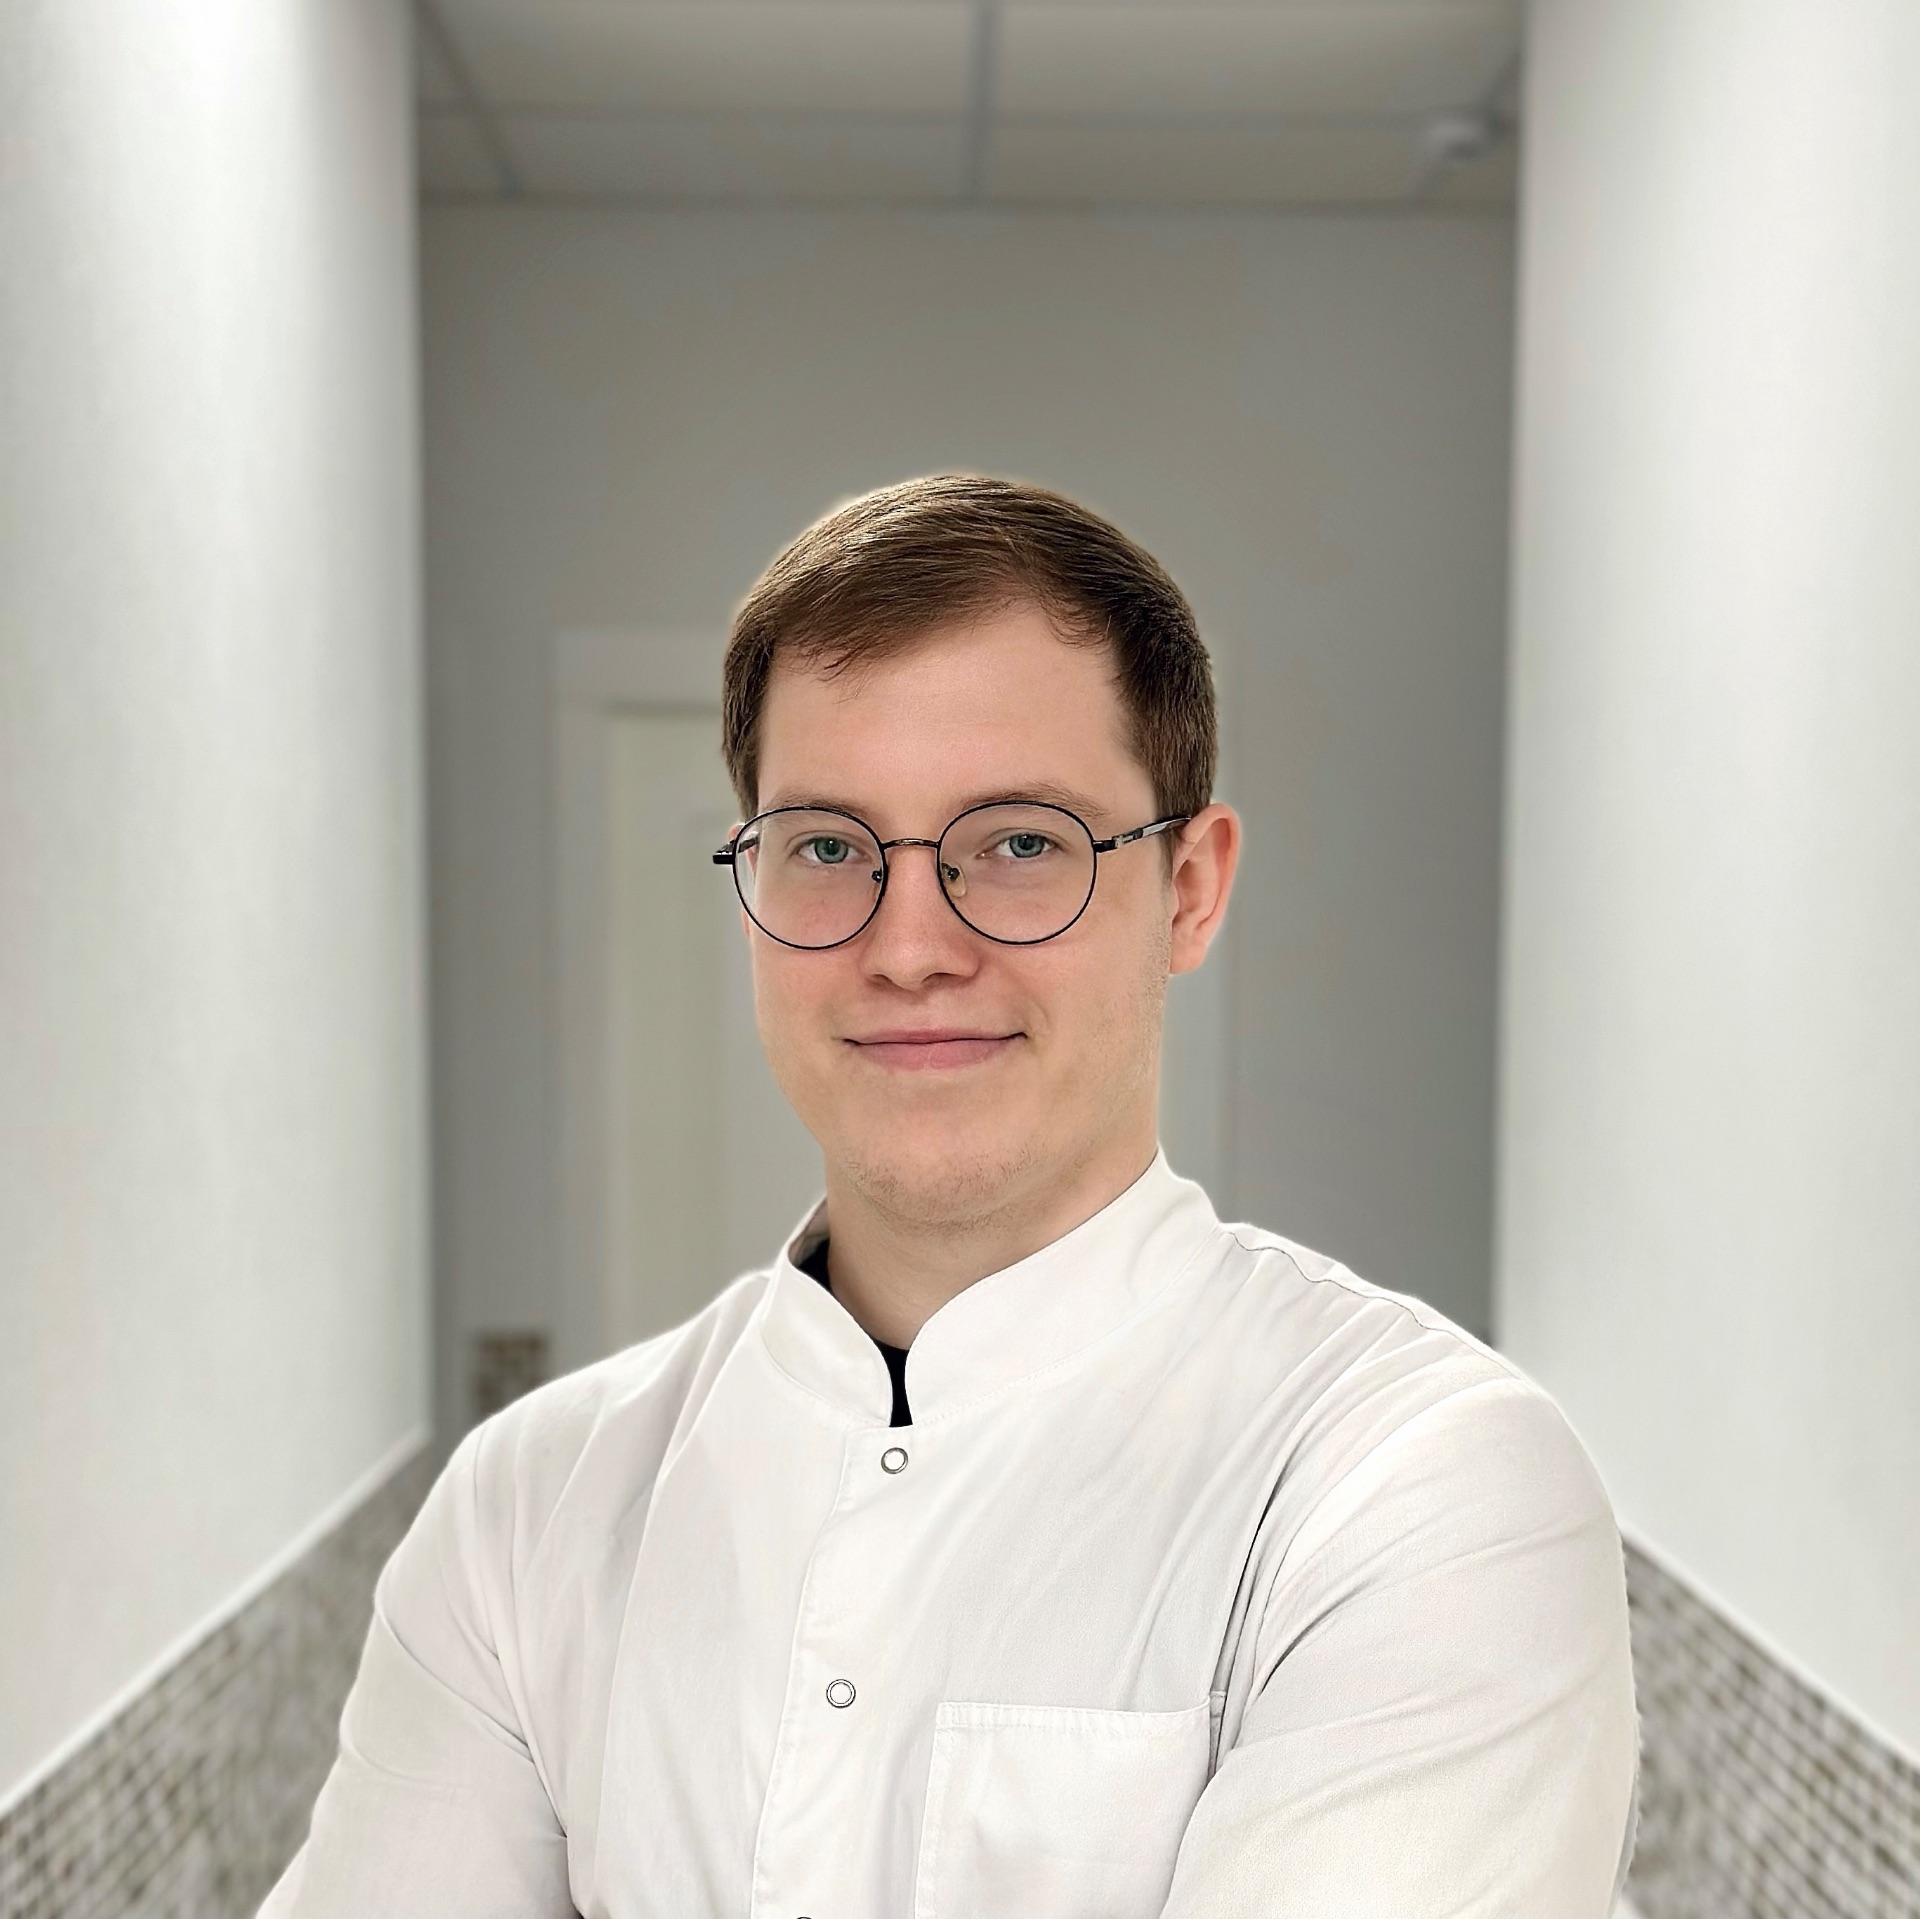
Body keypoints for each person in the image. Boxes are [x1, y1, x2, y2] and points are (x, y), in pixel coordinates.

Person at [261, 477, 1637, 1918]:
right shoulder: (530, 1510)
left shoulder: (1416, 1485)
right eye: (826, 847)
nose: (910, 946)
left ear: (1188, 889)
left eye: (1022, 842)